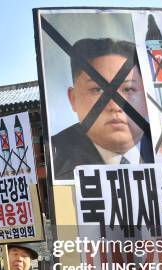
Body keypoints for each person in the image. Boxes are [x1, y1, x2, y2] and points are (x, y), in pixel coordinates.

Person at [51, 38, 153, 180]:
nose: (116, 106)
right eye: (97, 89)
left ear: (147, 97)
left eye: (128, 89)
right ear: (73, 99)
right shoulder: (53, 157)